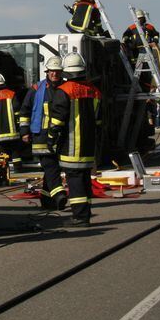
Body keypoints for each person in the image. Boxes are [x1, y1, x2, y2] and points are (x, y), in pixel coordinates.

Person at [49, 53, 102, 226]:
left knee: (75, 179)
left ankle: (79, 217)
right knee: (85, 178)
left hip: (71, 146)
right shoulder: (94, 91)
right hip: (88, 145)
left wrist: (51, 139)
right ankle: (85, 213)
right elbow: (99, 120)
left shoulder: (63, 91)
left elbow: (57, 121)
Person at [19, 56, 68, 211]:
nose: (55, 74)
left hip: (60, 136)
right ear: (47, 71)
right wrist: (24, 131)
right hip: (40, 135)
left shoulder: (66, 88)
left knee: (52, 168)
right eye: (52, 71)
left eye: (57, 71)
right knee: (50, 165)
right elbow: (25, 111)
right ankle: (59, 194)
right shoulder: (36, 89)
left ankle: (47, 202)